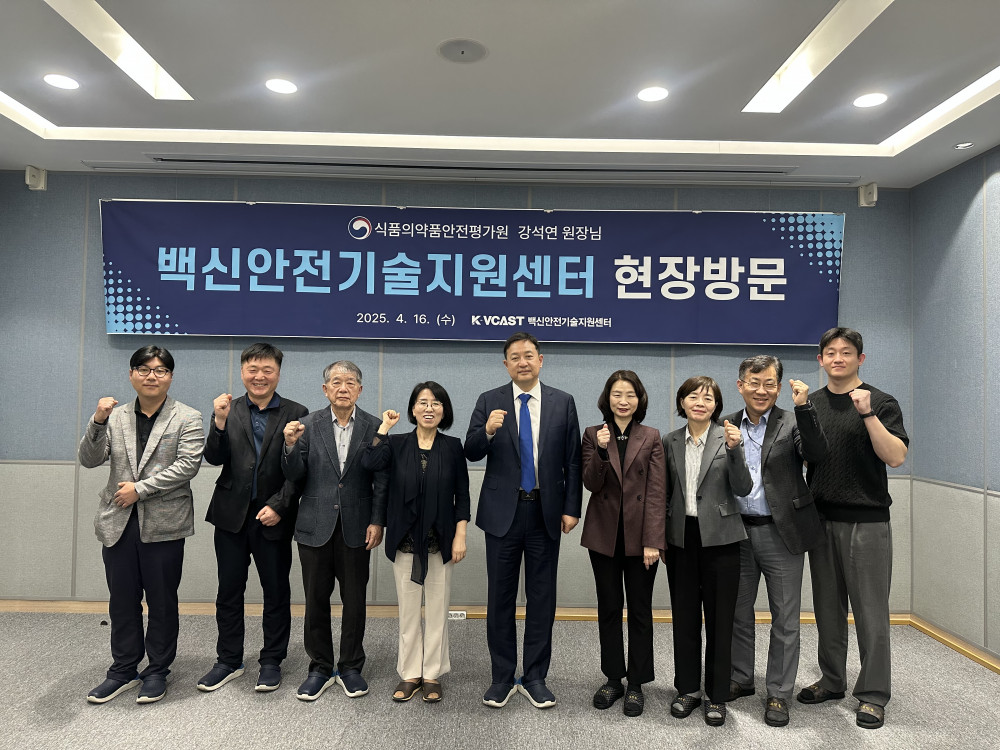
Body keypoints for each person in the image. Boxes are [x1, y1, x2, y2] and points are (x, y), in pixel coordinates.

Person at [79, 345, 204, 704]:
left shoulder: (188, 417)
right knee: (122, 600)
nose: (152, 376)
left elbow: (188, 465)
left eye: (160, 370)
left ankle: (158, 670)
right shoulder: (114, 416)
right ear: (132, 374)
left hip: (164, 523)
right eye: (144, 369)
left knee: (162, 600)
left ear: (170, 376)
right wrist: (97, 421)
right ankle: (123, 669)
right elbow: (89, 459)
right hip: (118, 521)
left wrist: (141, 489)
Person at [796, 328, 908, 730]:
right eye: (830, 352)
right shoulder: (811, 403)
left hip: (867, 521)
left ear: (861, 359)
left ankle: (873, 694)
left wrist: (867, 413)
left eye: (846, 352)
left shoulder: (881, 401)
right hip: (821, 520)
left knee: (871, 613)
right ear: (821, 360)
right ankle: (832, 680)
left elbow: (896, 457)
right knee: (827, 610)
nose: (838, 358)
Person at [465, 331, 582, 709]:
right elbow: (470, 450)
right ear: (506, 364)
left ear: (540, 360)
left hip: (545, 512)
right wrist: (487, 431)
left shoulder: (563, 402)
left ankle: (535, 677)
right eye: (515, 357)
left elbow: (573, 461)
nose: (522, 362)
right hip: (503, 514)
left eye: (529, 355)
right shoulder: (489, 400)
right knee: (499, 598)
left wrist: (571, 507)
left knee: (542, 598)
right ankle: (501, 676)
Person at [723, 355, 828, 727]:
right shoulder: (725, 424)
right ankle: (740, 677)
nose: (761, 390)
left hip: (782, 531)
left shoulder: (792, 420)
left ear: (779, 387)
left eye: (769, 384)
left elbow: (816, 454)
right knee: (738, 611)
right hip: (737, 532)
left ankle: (779, 692)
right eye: (754, 383)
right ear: (740, 385)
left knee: (785, 616)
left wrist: (805, 408)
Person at [198, 342, 308, 693]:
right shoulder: (228, 409)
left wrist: (280, 506)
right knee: (229, 590)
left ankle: (272, 660)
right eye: (253, 370)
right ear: (243, 372)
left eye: (267, 370)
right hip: (230, 515)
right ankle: (228, 660)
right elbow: (214, 458)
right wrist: (218, 421)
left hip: (273, 517)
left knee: (276, 591)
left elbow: (299, 472)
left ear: (278, 373)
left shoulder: (297, 412)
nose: (260, 376)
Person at [281, 360, 388, 702]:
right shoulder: (307, 424)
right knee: (315, 599)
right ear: (325, 389)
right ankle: (319, 667)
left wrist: (377, 520)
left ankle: (352, 666)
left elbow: (382, 480)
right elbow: (294, 475)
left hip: (358, 526)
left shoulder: (375, 426)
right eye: (337, 382)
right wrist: (289, 446)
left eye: (350, 382)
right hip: (314, 525)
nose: (344, 388)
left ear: (360, 389)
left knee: (355, 600)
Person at [361, 382, 471, 703]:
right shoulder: (396, 443)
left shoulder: (453, 447)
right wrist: (384, 427)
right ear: (413, 409)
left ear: (444, 411)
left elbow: (462, 495)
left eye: (436, 403)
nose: (429, 408)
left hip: (441, 540)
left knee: (438, 610)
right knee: (409, 611)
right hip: (405, 539)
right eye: (423, 402)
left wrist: (461, 535)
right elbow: (369, 462)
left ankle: (432, 673)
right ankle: (410, 672)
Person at [662, 376, 752, 727]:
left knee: (720, 620)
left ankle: (716, 694)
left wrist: (736, 449)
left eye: (708, 398)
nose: (700, 402)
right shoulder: (669, 441)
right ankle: (687, 689)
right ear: (682, 402)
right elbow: (663, 493)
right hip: (681, 538)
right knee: (684, 617)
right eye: (693, 396)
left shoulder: (727, 437)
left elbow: (743, 487)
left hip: (722, 539)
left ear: (716, 406)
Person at [580, 370, 666, 717]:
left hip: (641, 539)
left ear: (639, 399)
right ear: (607, 398)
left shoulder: (651, 436)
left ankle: (637, 683)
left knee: (641, 610)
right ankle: (613, 678)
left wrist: (653, 540)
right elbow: (591, 483)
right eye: (617, 394)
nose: (623, 401)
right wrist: (601, 451)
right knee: (609, 608)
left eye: (630, 394)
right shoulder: (593, 434)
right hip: (604, 536)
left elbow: (657, 491)